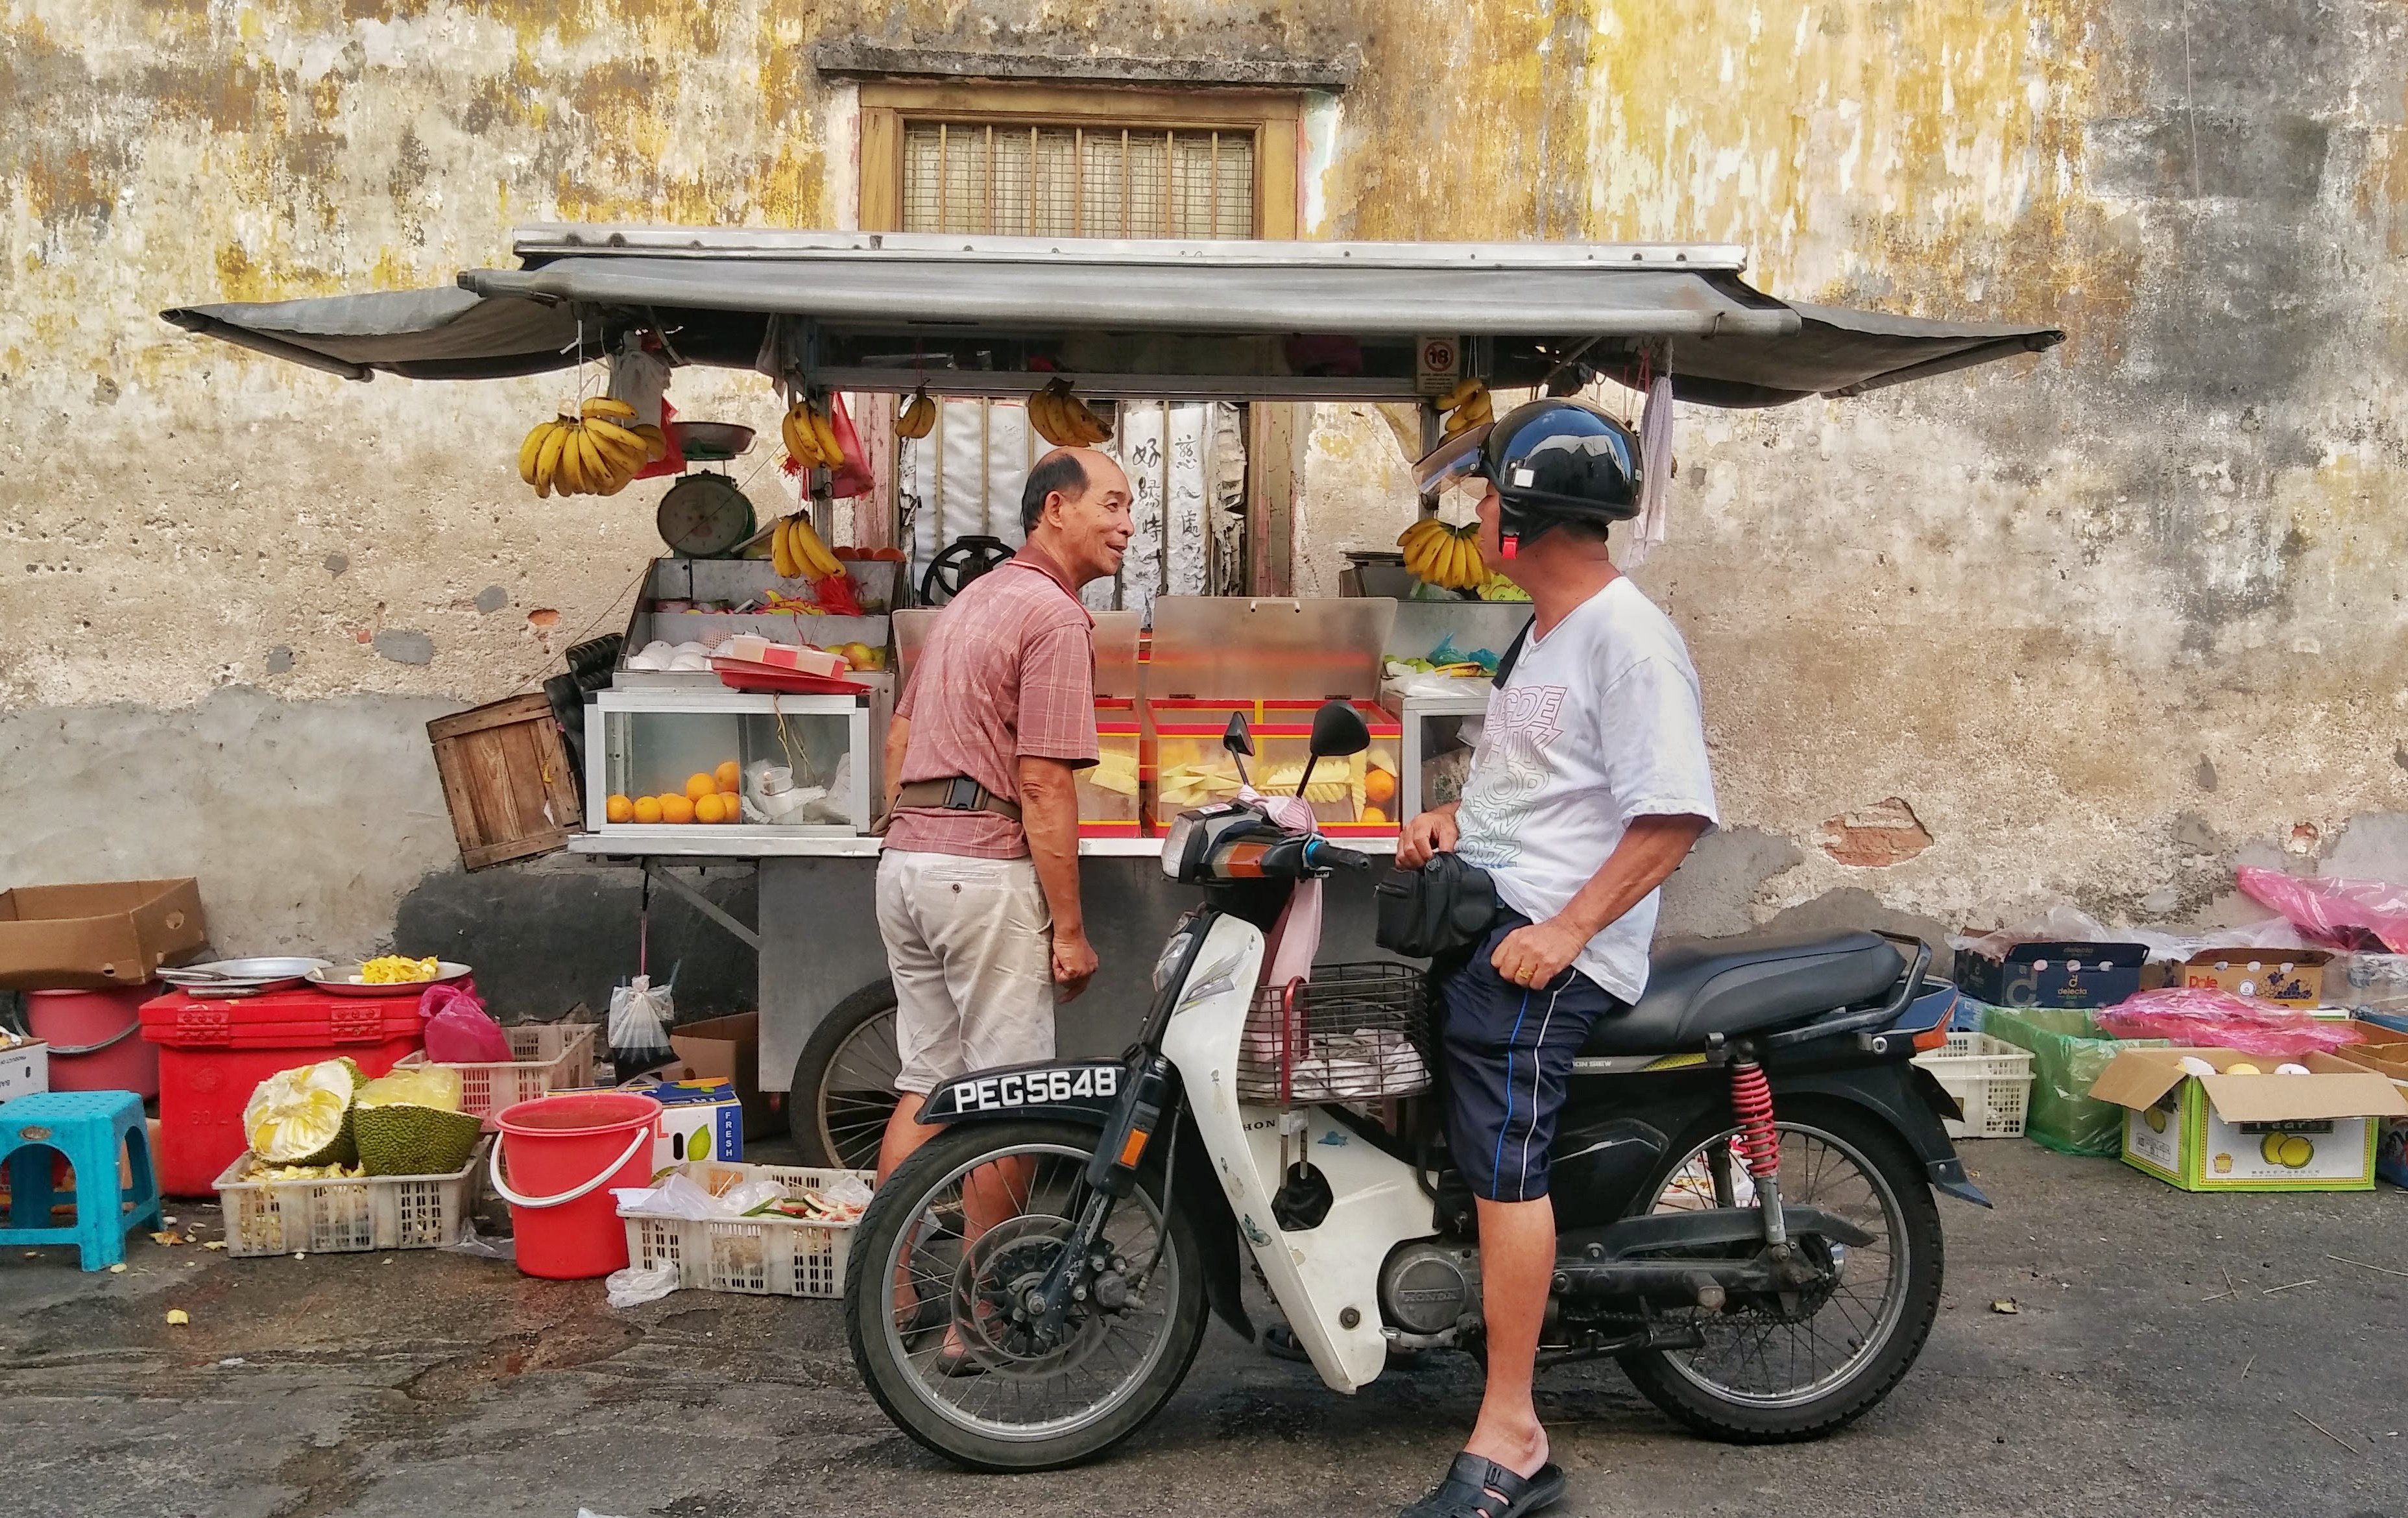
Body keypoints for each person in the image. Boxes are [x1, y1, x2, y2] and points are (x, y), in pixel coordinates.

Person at [1393, 400, 1718, 1518]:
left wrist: (1566, 932)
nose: (1479, 515)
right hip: (1498, 918)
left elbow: (1670, 818)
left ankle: (1513, 1432)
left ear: (1521, 516)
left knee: (1504, 1169)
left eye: (1488, 496)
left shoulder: (1631, 640)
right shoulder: (1546, 631)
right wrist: (1453, 820)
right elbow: (1549, 785)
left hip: (1549, 953)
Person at [874, 445, 1134, 1194]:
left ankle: (887, 1286)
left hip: (908, 865)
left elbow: (900, 734)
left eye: (1129, 511)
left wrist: (915, 834)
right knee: (1009, 1099)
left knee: (928, 1079)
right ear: (1055, 508)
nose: (1125, 527)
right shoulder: (1056, 617)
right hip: (980, 873)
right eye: (1110, 505)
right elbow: (1046, 785)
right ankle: (983, 1308)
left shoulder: (974, 598)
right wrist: (1072, 932)